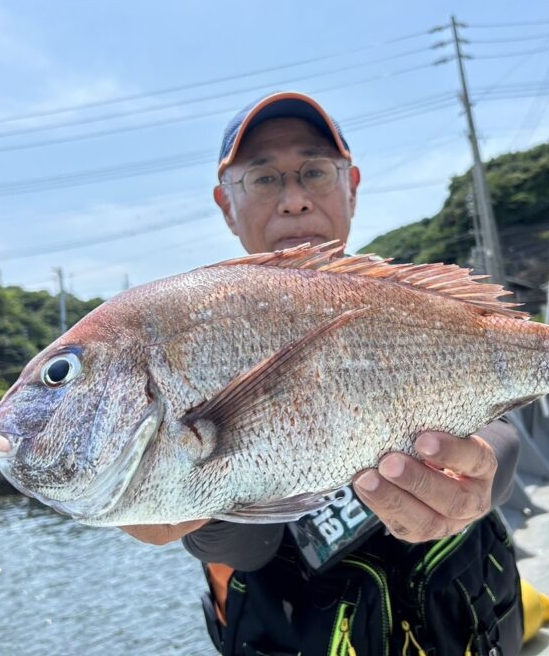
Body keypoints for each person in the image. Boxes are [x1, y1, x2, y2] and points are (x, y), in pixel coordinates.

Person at [122, 91, 524, 655]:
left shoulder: (422, 304)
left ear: (352, 185)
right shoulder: (194, 337)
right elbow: (247, 546)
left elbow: (506, 428)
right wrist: (187, 503)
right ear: (225, 203)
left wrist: (484, 472)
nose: (293, 201)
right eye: (262, 179)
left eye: (314, 172)